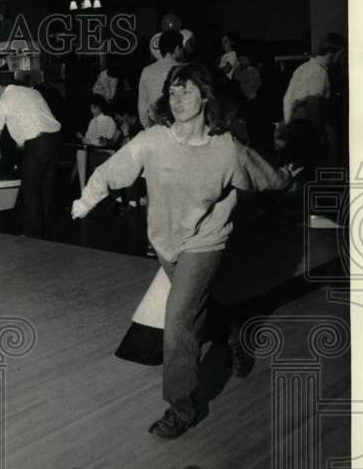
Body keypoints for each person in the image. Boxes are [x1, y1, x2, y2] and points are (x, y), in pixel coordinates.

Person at [72, 62, 299, 439]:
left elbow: (263, 174)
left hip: (205, 242)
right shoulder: (153, 140)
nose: (177, 99)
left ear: (207, 96)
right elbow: (111, 170)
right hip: (165, 241)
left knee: (177, 319)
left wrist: (287, 178)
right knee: (195, 309)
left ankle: (180, 408)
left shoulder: (226, 148)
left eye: (187, 91)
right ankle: (231, 336)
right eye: (173, 92)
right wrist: (85, 201)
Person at [0, 79, 62, 239]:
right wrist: (22, 141)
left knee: (30, 189)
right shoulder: (32, 92)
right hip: (56, 140)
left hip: (38, 143)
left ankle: (33, 235)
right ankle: (47, 231)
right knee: (46, 188)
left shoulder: (3, 101)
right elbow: (37, 118)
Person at [281, 32, 346, 171]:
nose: (342, 60)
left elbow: (287, 98)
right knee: (322, 170)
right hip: (310, 129)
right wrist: (321, 135)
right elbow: (313, 103)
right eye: (341, 55)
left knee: (304, 172)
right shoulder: (319, 72)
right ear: (331, 53)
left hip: (295, 126)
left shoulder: (302, 68)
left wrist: (288, 125)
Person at [137, 30, 183, 129]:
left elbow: (142, 106)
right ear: (177, 49)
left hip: (155, 126)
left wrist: (148, 127)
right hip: (178, 127)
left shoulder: (147, 71)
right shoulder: (183, 70)